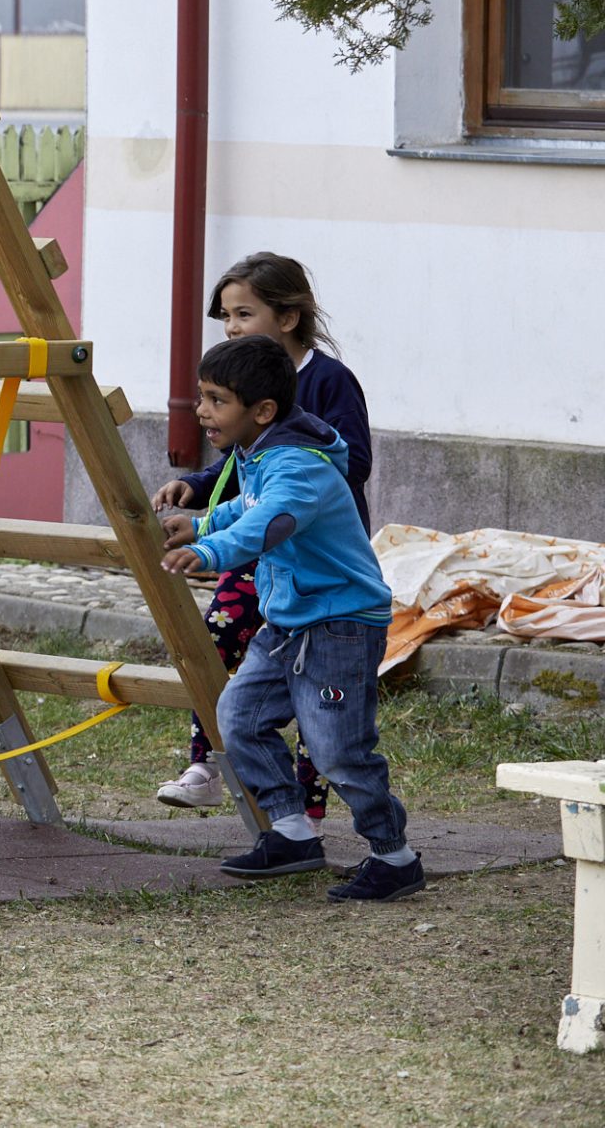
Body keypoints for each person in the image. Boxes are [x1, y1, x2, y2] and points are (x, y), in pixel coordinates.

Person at [161, 335, 422, 901]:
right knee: (239, 716)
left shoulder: (299, 467)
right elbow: (247, 506)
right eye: (200, 397)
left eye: (216, 400)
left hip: (340, 625)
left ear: (262, 411)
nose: (202, 410)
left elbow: (268, 523)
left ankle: (394, 856)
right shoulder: (260, 455)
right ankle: (292, 832)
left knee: (337, 750)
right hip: (288, 622)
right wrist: (202, 523)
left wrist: (208, 551)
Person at [149, 252, 373, 811]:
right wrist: (197, 491)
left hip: (313, 561)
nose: (231, 327)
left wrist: (294, 488)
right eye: (226, 316)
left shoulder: (327, 381)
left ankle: (308, 810)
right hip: (254, 551)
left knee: (320, 692)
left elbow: (353, 461)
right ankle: (208, 764)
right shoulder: (237, 382)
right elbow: (240, 468)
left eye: (244, 314)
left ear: (289, 317)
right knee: (217, 640)